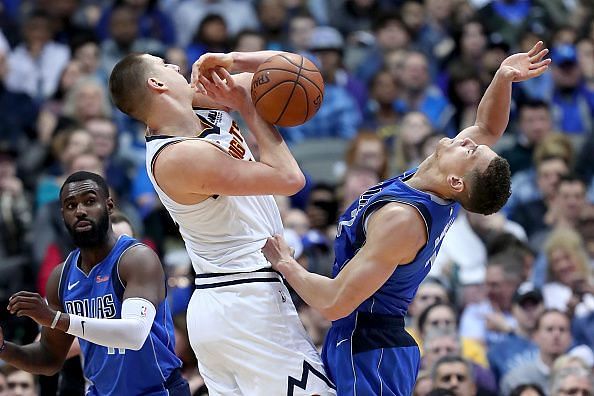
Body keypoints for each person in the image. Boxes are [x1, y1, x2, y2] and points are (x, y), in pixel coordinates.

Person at [262, 42, 551, 395]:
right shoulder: (436, 178)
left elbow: (336, 302)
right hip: (367, 341)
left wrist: (286, 264)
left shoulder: (403, 219)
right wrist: (504, 77)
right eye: (473, 144)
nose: (470, 141)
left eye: (472, 152)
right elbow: (488, 127)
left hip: (369, 347)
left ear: (457, 181)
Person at [108, 50, 335, 395]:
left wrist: (235, 59)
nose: (175, 65)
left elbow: (293, 70)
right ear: (156, 83)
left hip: (232, 301)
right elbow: (289, 178)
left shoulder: (197, 102)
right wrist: (246, 107)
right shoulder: (179, 156)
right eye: (163, 64)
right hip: (244, 300)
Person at [0, 171, 190, 395]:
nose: (80, 211)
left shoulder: (136, 258)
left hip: (157, 390)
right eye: (71, 206)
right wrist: (3, 348)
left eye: (90, 201)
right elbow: (49, 358)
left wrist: (55, 319)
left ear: (109, 206)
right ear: (63, 215)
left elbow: (134, 334)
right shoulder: (61, 277)